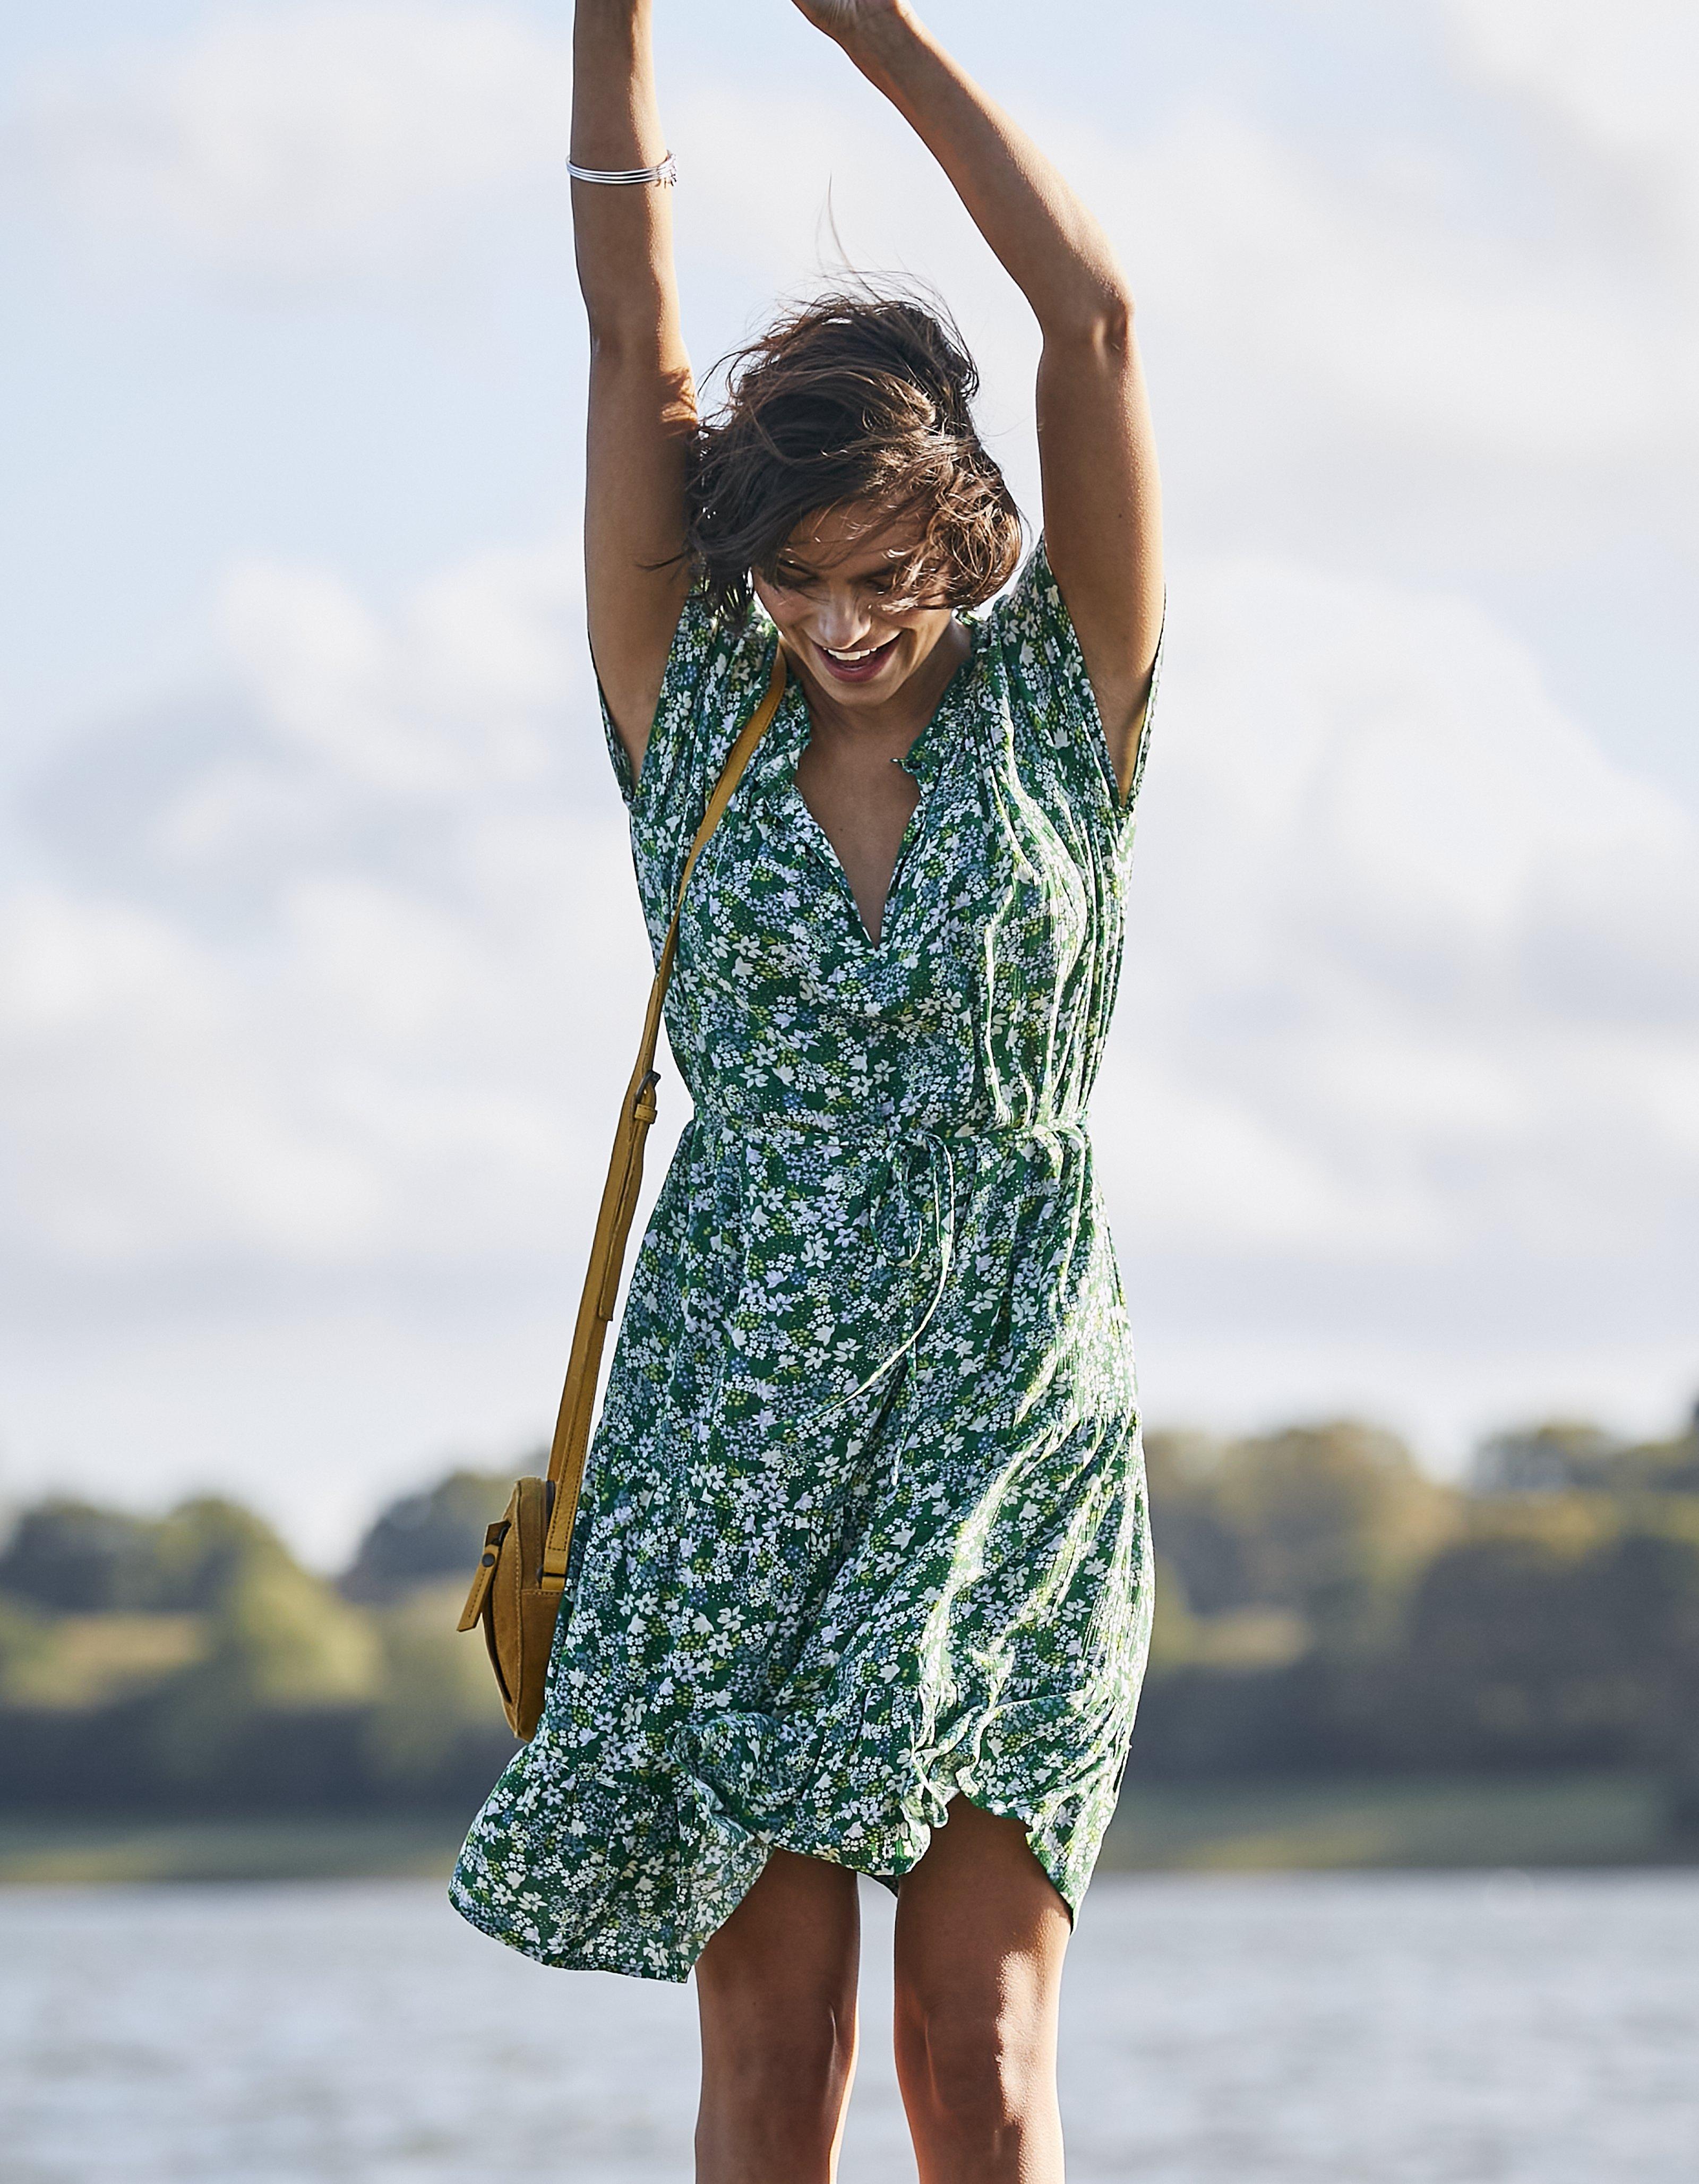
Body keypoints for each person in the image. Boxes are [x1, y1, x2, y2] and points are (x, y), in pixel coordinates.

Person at [451, 2, 1163, 2177]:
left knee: (977, 2047)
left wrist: (863, 24)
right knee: (777, 2068)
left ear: (965, 534)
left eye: (879, 579)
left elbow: (1091, 317)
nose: (838, 626)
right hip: (729, 1424)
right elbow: (627, 331)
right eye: (794, 584)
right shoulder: (688, 701)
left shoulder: (1070, 702)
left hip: (1006, 1411)